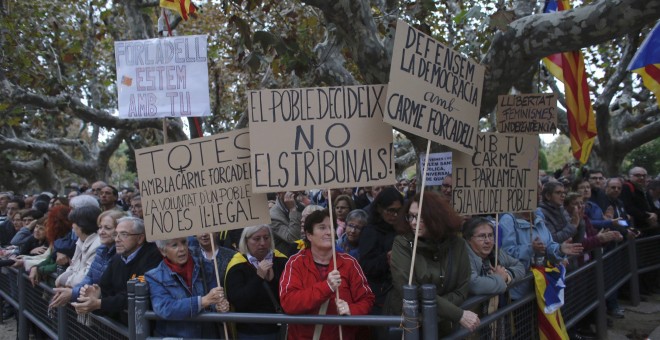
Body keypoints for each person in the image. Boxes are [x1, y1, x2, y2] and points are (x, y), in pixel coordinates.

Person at [384, 192, 479, 335]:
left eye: (420, 217)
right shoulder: (402, 242)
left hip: (443, 327)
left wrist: (432, 310)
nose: (414, 222)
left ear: (436, 217)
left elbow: (461, 290)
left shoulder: (457, 244)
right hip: (411, 326)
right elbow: (409, 289)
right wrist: (455, 313)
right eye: (410, 216)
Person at [280, 209, 374, 340]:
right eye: (322, 227)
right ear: (309, 235)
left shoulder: (350, 263)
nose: (329, 232)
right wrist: (326, 287)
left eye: (331, 228)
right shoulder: (295, 263)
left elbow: (367, 300)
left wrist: (351, 310)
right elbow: (289, 302)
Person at [72, 217, 161, 324]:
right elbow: (105, 287)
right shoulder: (117, 258)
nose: (117, 239)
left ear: (140, 238)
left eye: (124, 234)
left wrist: (99, 303)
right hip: (123, 326)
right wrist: (95, 294)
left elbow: (135, 294)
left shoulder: (154, 257)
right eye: (116, 234)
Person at [144, 237, 230, 338]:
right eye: (174, 245)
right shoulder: (154, 277)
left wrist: (219, 307)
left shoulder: (205, 265)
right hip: (177, 336)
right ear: (163, 251)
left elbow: (214, 300)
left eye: (184, 242)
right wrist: (202, 301)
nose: (182, 248)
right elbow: (165, 308)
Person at [49, 210, 127, 309]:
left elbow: (102, 285)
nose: (101, 232)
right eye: (100, 227)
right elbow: (89, 277)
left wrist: (73, 292)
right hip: (98, 304)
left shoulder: (117, 253)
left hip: (110, 308)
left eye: (107, 228)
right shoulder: (101, 249)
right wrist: (73, 291)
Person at [499, 212, 583, 300]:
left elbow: (548, 245)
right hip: (520, 292)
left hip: (541, 287)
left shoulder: (538, 218)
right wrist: (530, 248)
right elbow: (506, 254)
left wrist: (559, 249)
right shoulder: (508, 220)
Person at [225, 225, 288, 339]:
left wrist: (273, 281)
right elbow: (238, 301)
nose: (263, 243)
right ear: (246, 241)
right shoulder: (237, 266)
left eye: (266, 237)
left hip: (280, 329)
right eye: (256, 239)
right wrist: (258, 278)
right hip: (251, 332)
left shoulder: (281, 260)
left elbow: (289, 297)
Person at [358, 186, 402, 314]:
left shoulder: (403, 229)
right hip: (380, 296)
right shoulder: (370, 232)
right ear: (379, 209)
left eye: (399, 211)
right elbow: (366, 266)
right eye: (391, 210)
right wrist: (386, 258)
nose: (395, 215)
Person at [464, 217, 525, 296]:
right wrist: (499, 279)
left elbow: (520, 267)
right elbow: (474, 285)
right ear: (469, 239)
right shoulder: (464, 256)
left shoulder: (496, 252)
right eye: (482, 236)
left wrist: (506, 276)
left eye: (490, 235)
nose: (488, 241)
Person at [54, 205, 102, 288]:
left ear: (82, 225)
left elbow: (85, 277)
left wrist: (62, 279)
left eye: (74, 223)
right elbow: (73, 267)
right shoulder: (81, 240)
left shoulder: (98, 244)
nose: (72, 226)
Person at [269, 191, 304, 256]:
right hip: (286, 259)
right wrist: (293, 210)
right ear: (279, 193)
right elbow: (293, 239)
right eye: (289, 190)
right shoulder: (273, 216)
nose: (293, 193)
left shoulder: (301, 207)